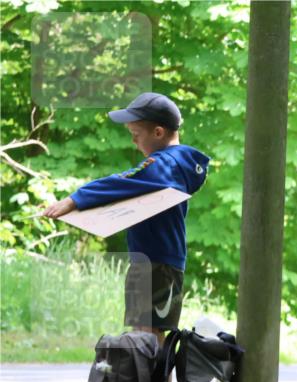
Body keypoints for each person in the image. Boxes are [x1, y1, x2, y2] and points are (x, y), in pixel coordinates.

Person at [43, 92, 210, 343]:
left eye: (136, 134)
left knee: (147, 337)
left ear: (158, 132)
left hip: (157, 264)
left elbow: (125, 181)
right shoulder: (174, 165)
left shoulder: (166, 165)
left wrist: (74, 199)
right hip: (155, 261)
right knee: (148, 336)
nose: (133, 142)